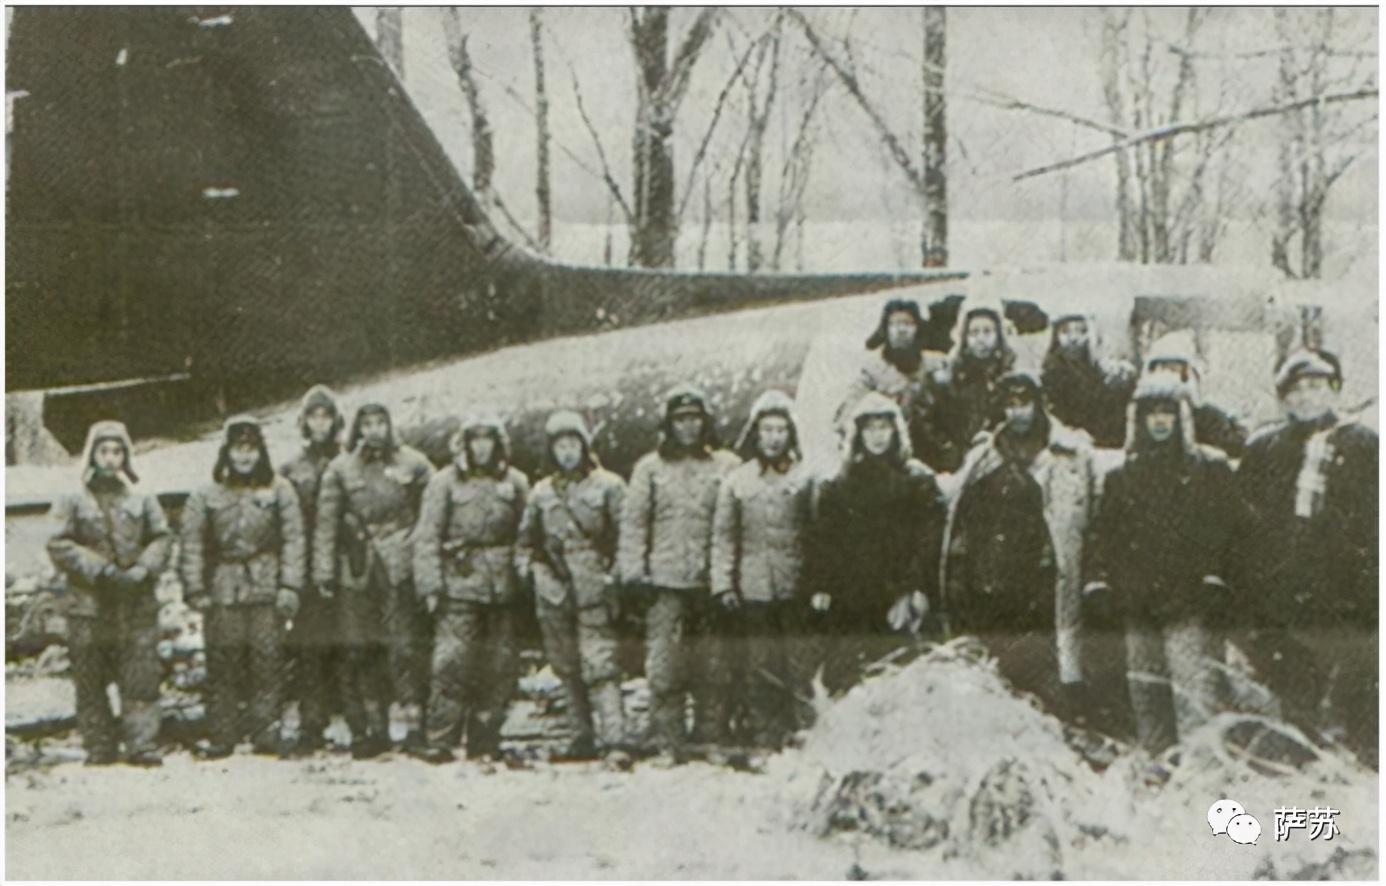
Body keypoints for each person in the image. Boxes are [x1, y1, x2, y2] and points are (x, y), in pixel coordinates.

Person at [1233, 349, 1378, 767]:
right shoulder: (1265, 446)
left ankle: (1361, 767)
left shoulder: (1364, 444)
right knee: (1292, 681)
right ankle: (1296, 763)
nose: (1307, 397)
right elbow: (1246, 522)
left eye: (1317, 386)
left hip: (1346, 584)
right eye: (1296, 389)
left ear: (1334, 391)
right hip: (1284, 586)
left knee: (1357, 680)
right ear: (1284, 398)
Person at [1086, 376, 1237, 755]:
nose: (1159, 421)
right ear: (1138, 420)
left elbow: (1229, 529)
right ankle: (1158, 769)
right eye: (1150, 414)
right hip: (1138, 602)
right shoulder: (1122, 477)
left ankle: (1203, 774)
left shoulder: (1208, 468)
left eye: (1167, 413)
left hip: (1189, 601)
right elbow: (1103, 535)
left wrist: (1215, 575)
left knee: (1193, 692)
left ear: (1181, 418)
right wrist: (1100, 581)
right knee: (1146, 691)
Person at [942, 371, 1098, 713]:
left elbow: (1095, 517)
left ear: (1039, 405)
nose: (1018, 413)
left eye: (1024, 403)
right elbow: (958, 514)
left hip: (1050, 581)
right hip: (997, 582)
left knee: (1053, 674)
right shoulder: (985, 457)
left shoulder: (1072, 455)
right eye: (1009, 405)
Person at [617, 383, 740, 764]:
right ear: (669, 425)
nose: (688, 427)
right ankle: (668, 742)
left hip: (709, 581)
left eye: (695, 419)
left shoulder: (727, 466)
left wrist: (727, 579)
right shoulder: (649, 469)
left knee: (713, 665)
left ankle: (709, 738)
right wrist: (635, 575)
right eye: (680, 420)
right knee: (665, 667)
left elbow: (734, 527)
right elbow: (635, 524)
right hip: (665, 582)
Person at [47, 420, 173, 767]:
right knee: (90, 676)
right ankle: (99, 745)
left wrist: (142, 569)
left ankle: (142, 744)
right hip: (89, 602)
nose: (110, 459)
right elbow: (57, 542)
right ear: (92, 455)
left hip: (135, 601)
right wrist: (98, 569)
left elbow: (161, 537)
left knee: (140, 674)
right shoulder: (72, 499)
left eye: (117, 451)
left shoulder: (142, 497)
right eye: (104, 451)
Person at [179, 416, 305, 758]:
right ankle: (222, 734)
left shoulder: (280, 490)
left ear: (261, 451)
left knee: (267, 661)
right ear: (227, 452)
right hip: (224, 587)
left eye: (251, 448)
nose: (245, 456)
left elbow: (294, 540)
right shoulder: (206, 494)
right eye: (238, 448)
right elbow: (191, 544)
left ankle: (266, 731)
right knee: (223, 661)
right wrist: (195, 589)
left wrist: (290, 586)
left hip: (266, 586)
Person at [314, 401, 434, 759]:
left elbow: (433, 512)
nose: (374, 430)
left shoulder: (414, 463)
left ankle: (415, 726)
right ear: (357, 429)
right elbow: (326, 525)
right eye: (366, 423)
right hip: (357, 569)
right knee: (361, 647)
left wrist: (417, 553)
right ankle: (372, 729)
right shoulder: (340, 470)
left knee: (406, 647)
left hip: (402, 564)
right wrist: (324, 571)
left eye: (381, 422)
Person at [808, 392, 947, 694]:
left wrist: (914, 590)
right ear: (857, 433)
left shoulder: (917, 481)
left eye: (884, 427)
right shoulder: (840, 485)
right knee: (846, 676)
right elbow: (826, 540)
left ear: (896, 431)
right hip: (853, 596)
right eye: (870, 428)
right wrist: (823, 585)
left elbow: (928, 541)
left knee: (902, 673)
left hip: (900, 594)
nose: (877, 436)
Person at [412, 412, 531, 764]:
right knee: (451, 662)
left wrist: (524, 574)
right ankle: (441, 737)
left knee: (499, 665)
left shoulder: (516, 482)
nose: (481, 447)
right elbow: (428, 536)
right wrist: (431, 585)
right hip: (458, 584)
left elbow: (527, 532)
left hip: (502, 587)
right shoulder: (444, 482)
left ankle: (485, 738)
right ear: (464, 444)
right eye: (475, 440)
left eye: (488, 439)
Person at [516, 411, 628, 762]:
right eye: (560, 445)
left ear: (584, 446)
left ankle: (615, 740)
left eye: (573, 444)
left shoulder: (609, 486)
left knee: (601, 664)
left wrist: (616, 576)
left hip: (595, 585)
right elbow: (525, 543)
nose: (567, 452)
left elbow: (627, 537)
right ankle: (581, 737)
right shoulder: (541, 493)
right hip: (554, 590)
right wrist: (533, 573)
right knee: (566, 665)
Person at [710, 390, 816, 748]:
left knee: (800, 663)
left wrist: (817, 584)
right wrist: (724, 584)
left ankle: (805, 733)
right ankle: (765, 735)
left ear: (791, 434)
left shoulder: (806, 478)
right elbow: (724, 537)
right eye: (767, 430)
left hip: (795, 585)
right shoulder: (738, 482)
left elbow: (817, 534)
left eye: (780, 430)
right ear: (756, 434)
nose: (773, 438)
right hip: (753, 587)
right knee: (760, 664)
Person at [279, 384, 345, 755]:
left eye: (326, 416)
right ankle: (312, 722)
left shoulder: (350, 461)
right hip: (306, 570)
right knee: (311, 647)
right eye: (313, 416)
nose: (320, 423)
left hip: (347, 567)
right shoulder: (290, 469)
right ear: (303, 422)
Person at [833, 298, 946, 465]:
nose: (901, 330)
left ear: (917, 328)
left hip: (928, 446)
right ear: (885, 329)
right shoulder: (872, 369)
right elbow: (848, 412)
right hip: (886, 448)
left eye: (908, 324)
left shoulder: (935, 364)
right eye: (894, 324)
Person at [923, 296, 1019, 472]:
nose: (981, 339)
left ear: (999, 335)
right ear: (964, 338)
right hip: (957, 467)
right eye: (974, 333)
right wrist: (954, 456)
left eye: (987, 332)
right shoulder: (945, 380)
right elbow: (927, 425)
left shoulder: (1011, 378)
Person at [1141, 331, 1247, 459]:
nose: (1168, 376)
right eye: (1162, 369)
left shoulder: (1208, 417)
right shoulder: (1137, 417)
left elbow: (1236, 449)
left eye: (1175, 369)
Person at [1041, 312, 1136, 448]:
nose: (1073, 338)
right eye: (1065, 331)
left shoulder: (1103, 375)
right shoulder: (1048, 378)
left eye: (1081, 331)